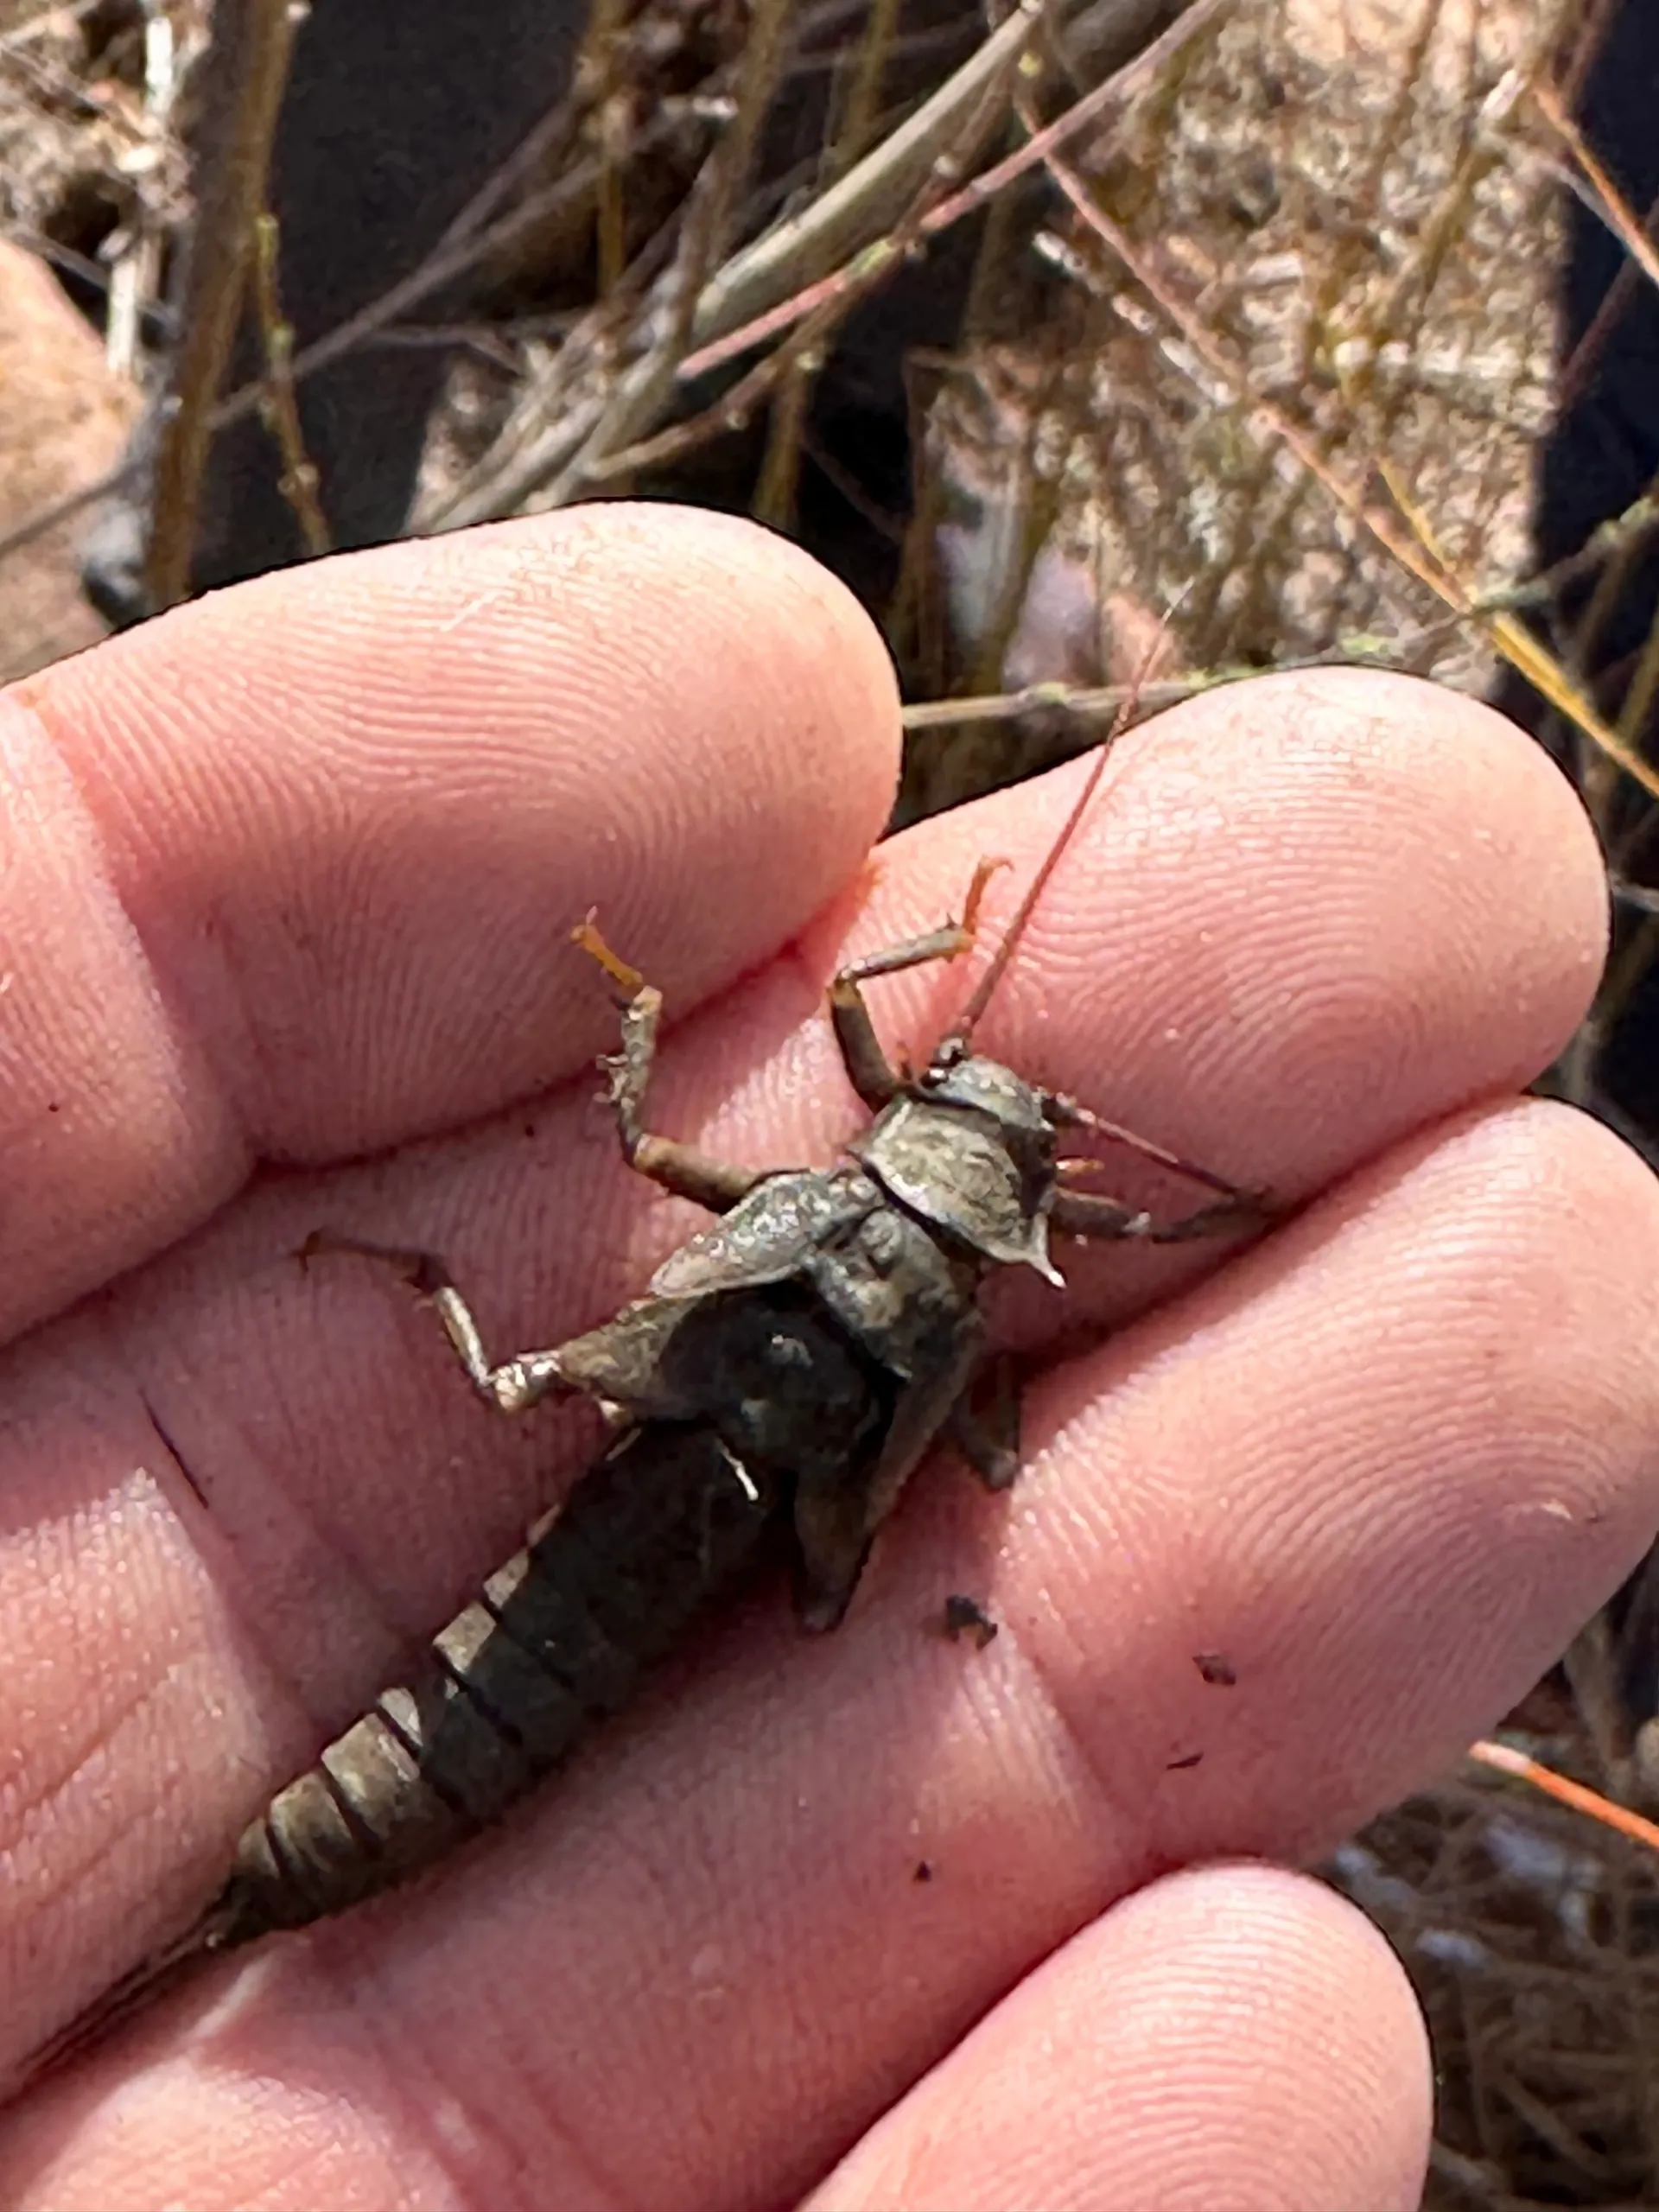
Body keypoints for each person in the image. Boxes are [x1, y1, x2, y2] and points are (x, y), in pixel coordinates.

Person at [0, 505, 1653, 2211]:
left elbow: (707, 1105)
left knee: (537, 1380)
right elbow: (888, 1509)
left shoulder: (852, 1172)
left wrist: (657, 1011)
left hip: (564, 1601)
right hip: (603, 1629)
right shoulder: (974, 1320)